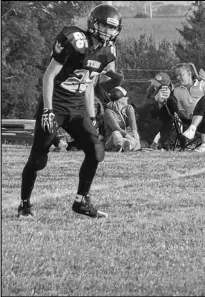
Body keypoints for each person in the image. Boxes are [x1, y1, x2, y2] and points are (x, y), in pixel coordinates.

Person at [18, 4, 122, 218]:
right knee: (38, 159)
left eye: (113, 28)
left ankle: (81, 200)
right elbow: (48, 76)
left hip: (76, 107)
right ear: (94, 23)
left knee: (96, 150)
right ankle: (25, 203)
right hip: (55, 103)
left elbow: (89, 83)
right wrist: (47, 110)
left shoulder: (108, 52)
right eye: (105, 25)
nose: (108, 31)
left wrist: (92, 116)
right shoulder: (74, 40)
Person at [155, 63, 205, 152]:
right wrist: (185, 116)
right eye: (176, 76)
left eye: (181, 75)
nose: (178, 78)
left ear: (189, 74)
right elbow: (180, 109)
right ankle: (204, 145)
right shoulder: (177, 91)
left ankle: (192, 128)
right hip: (197, 118)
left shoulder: (202, 84)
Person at [103, 86, 141, 152]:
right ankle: (123, 145)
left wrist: (135, 134)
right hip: (111, 139)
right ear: (120, 100)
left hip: (127, 137)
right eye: (125, 97)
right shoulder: (108, 112)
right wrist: (129, 137)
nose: (127, 98)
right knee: (116, 134)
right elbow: (116, 128)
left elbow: (133, 127)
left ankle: (125, 145)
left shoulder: (129, 108)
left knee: (134, 139)